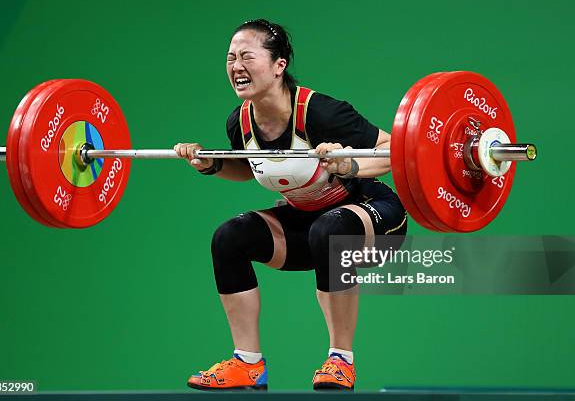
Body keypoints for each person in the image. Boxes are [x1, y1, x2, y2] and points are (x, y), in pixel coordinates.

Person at [174, 19, 407, 391]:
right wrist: (212, 164)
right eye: (231, 58)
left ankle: (341, 360)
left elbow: (395, 151)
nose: (236, 66)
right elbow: (249, 170)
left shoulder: (321, 112)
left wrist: (349, 164)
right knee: (229, 238)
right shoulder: (240, 122)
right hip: (308, 226)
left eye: (247, 56)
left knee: (329, 230)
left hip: (373, 217)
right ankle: (247, 363)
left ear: (279, 65)